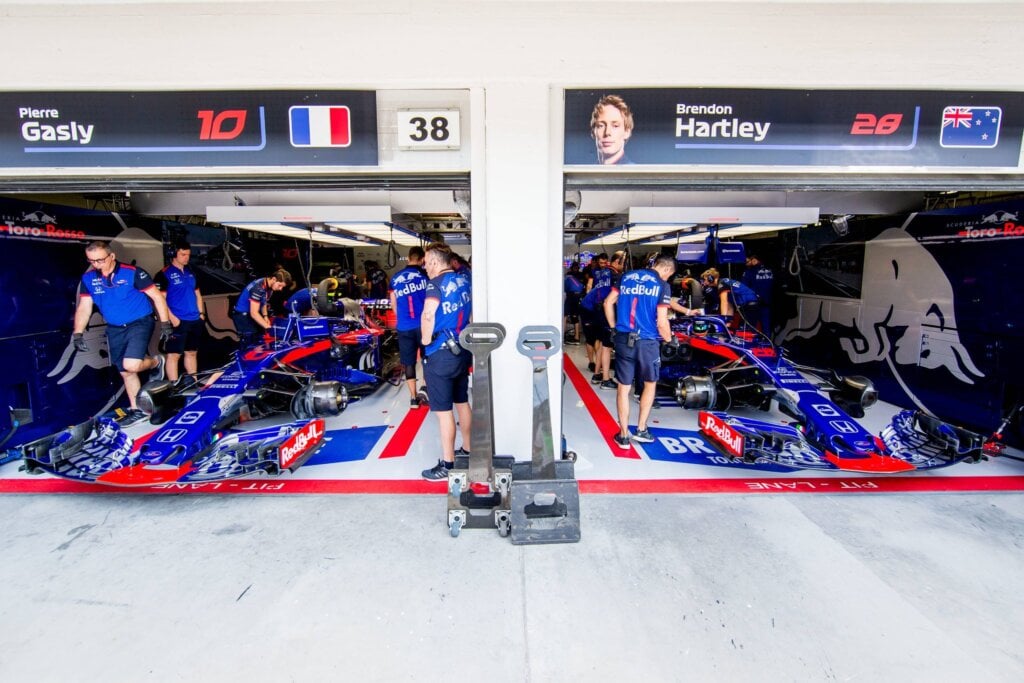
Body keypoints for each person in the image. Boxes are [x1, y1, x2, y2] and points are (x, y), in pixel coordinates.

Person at [73, 240, 171, 425]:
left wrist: (165, 323)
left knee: (131, 365)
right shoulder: (88, 279)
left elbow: (157, 297)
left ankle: (157, 361)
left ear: (111, 256)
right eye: (91, 261)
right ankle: (138, 410)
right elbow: (84, 307)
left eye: (100, 260)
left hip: (139, 322)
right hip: (114, 328)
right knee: (125, 372)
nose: (96, 265)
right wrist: (77, 333)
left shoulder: (133, 273)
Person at [603, 254, 676, 448]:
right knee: (650, 384)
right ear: (666, 269)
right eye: (669, 275)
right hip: (647, 342)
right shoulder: (662, 284)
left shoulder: (625, 277)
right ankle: (642, 430)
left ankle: (624, 435)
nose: (667, 278)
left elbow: (608, 302)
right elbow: (662, 321)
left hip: (623, 339)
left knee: (623, 387)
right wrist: (670, 340)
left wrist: (613, 327)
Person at [419, 242, 473, 480]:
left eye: (426, 262)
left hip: (440, 352)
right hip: (462, 347)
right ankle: (469, 450)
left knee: (443, 411)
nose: (425, 266)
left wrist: (425, 340)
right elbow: (471, 314)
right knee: (462, 401)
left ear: (433, 261)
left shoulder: (435, 284)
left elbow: (428, 313)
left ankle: (448, 465)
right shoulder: (464, 280)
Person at [154, 240, 205, 382]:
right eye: (183, 254)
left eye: (188, 255)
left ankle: (193, 383)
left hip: (195, 319)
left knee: (192, 353)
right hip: (178, 320)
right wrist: (172, 318)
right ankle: (174, 386)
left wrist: (201, 314)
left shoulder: (191, 272)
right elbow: (160, 300)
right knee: (174, 355)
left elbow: (198, 295)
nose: (186, 258)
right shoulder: (164, 274)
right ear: (173, 254)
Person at [389, 246, 429, 408]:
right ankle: (426, 390)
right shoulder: (425, 276)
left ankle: (413, 399)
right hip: (423, 325)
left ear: (408, 257)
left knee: (409, 363)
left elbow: (394, 305)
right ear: (421, 259)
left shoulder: (395, 278)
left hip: (404, 326)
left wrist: (403, 319)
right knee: (427, 358)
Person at [582, 250, 626, 389]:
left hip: (597, 309)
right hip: (607, 311)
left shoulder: (599, 272)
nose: (624, 266)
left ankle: (597, 374)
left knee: (601, 342)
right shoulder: (616, 276)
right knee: (607, 346)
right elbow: (615, 299)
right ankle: (606, 379)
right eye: (623, 263)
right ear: (617, 261)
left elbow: (592, 288)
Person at [231, 269, 293, 350]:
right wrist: (268, 328)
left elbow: (263, 302)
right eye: (280, 285)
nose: (280, 289)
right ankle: (245, 359)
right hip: (241, 315)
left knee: (259, 338)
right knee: (249, 340)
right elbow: (254, 313)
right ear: (274, 279)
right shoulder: (258, 288)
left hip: (250, 313)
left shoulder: (268, 285)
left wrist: (265, 316)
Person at [591, 95, 635, 165]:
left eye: (615, 126)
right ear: (593, 132)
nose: (607, 132)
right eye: (601, 126)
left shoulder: (635, 174)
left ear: (627, 132)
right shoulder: (587, 173)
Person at [742, 252, 774, 332]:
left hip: (754, 303)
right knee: (766, 325)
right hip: (767, 302)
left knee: (751, 326)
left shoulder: (749, 272)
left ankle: (753, 343)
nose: (746, 264)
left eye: (748, 261)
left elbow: (743, 287)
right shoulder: (770, 270)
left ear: (754, 260)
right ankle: (767, 343)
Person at [563, 262, 585, 344]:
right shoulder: (581, 275)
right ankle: (576, 337)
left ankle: (563, 336)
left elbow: (565, 286)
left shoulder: (568, 274)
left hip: (570, 296)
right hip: (577, 297)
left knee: (564, 315)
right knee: (575, 316)